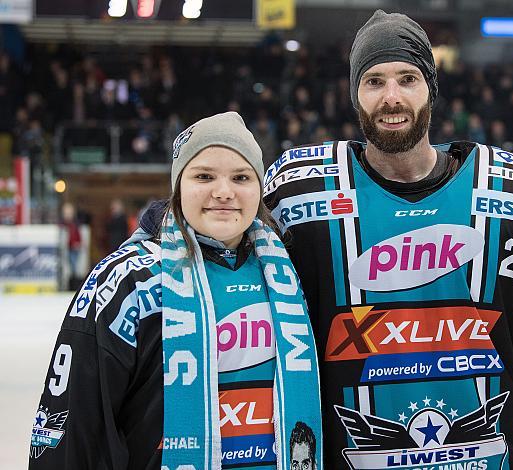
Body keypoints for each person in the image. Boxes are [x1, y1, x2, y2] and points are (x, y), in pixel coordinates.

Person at [263, 10, 513, 470]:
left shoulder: (512, 194)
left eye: (407, 79)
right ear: (354, 95)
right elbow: (224, 255)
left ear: (431, 88)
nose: (391, 97)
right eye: (374, 81)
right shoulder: (297, 195)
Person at [29, 112, 323, 470]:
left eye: (241, 177)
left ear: (258, 189)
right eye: (204, 176)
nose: (224, 192)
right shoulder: (128, 281)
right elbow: (74, 431)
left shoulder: (288, 274)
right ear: (178, 187)